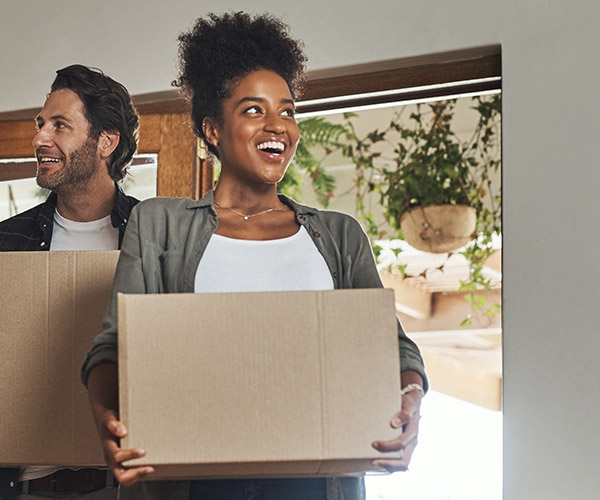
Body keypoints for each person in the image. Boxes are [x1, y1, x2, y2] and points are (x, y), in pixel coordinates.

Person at [80, 12, 429, 500]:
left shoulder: (339, 236)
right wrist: (107, 422)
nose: (278, 126)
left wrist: (411, 400)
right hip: (192, 484)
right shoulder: (161, 224)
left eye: (287, 111)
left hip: (315, 485)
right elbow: (111, 347)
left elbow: (393, 349)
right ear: (213, 130)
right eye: (253, 110)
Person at [0, 64, 141, 500]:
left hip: (124, 488)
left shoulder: (151, 237)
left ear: (107, 140)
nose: (39, 138)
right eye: (40, 125)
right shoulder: (4, 241)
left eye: (60, 126)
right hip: (23, 490)